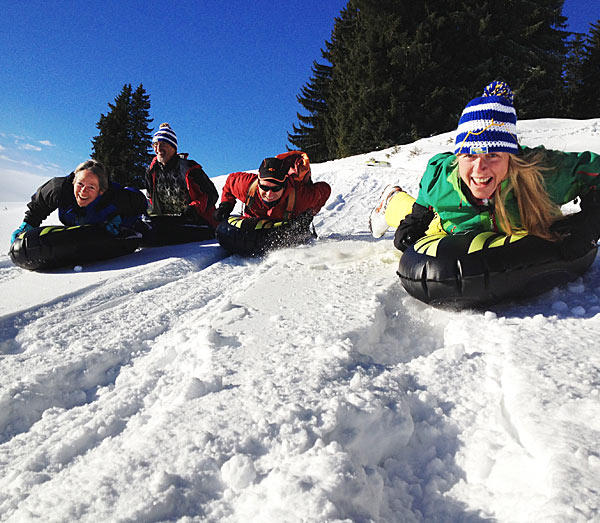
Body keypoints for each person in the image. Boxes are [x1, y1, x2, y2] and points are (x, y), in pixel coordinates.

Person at [369, 81, 600, 259]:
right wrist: (417, 218)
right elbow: (429, 186)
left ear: (511, 157)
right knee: (423, 220)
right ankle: (391, 198)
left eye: (493, 155)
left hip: (518, 221)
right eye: (469, 155)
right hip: (451, 226)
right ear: (458, 156)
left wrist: (592, 219)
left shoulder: (543, 174)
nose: (480, 168)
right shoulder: (444, 179)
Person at [10, 159, 148, 246]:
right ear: (73, 182)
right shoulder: (58, 190)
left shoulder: (115, 198)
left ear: (101, 191)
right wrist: (26, 225)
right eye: (80, 184)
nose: (83, 192)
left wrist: (122, 220)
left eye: (91, 187)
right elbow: (38, 206)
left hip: (108, 219)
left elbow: (140, 202)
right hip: (77, 222)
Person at [213, 155, 331, 229]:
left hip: (283, 225)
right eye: (264, 188)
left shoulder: (300, 197)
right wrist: (226, 205)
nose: (269, 194)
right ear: (258, 182)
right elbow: (230, 181)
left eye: (275, 189)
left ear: (284, 186)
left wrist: (308, 215)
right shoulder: (246, 186)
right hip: (252, 225)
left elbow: (325, 190)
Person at [144, 123, 219, 228]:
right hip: (167, 221)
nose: (158, 149)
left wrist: (194, 208)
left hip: (197, 221)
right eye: (155, 145)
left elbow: (211, 194)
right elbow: (150, 197)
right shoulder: (151, 172)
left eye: (163, 144)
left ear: (173, 147)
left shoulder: (190, 169)